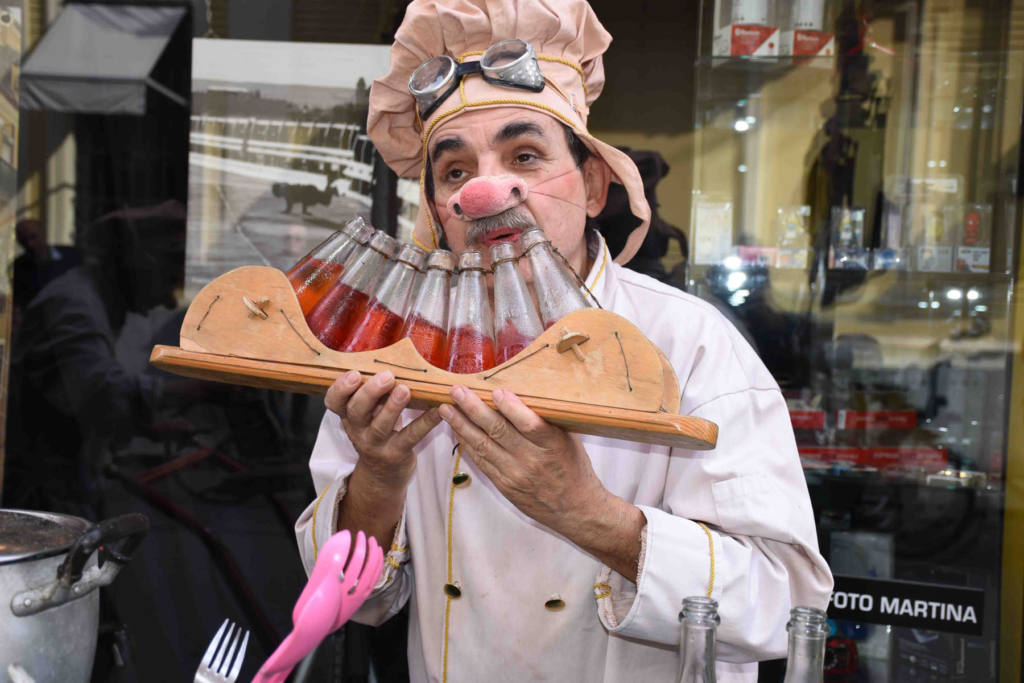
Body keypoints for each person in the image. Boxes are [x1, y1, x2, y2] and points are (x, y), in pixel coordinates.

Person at [295, 1, 833, 680]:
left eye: (525, 154)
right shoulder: (398, 350)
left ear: (593, 185)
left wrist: (588, 513)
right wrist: (378, 479)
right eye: (454, 171)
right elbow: (343, 598)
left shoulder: (691, 345)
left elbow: (782, 601)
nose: (486, 192)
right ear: (436, 209)